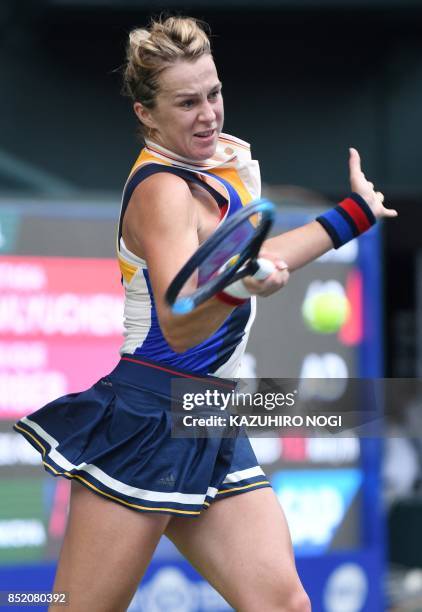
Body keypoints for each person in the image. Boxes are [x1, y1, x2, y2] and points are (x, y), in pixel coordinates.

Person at [13, 16, 397, 612]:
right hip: (146, 417)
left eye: (213, 93)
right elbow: (179, 318)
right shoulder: (161, 189)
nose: (209, 114)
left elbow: (257, 259)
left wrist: (350, 217)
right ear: (146, 113)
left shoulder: (216, 171)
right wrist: (240, 289)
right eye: (186, 102)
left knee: (284, 604)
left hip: (207, 414)